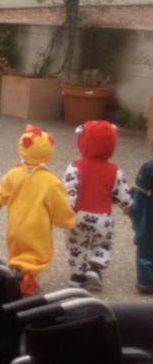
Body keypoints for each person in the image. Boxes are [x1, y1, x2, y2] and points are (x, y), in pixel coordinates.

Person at [0, 125, 77, 295]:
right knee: (37, 255)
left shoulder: (14, 173)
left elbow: (3, 190)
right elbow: (59, 204)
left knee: (16, 250)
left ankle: (15, 271)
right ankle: (23, 279)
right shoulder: (51, 181)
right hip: (37, 227)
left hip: (15, 224)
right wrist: (68, 219)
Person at [63, 120, 133, 291]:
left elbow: (69, 188)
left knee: (77, 244)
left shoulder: (74, 166)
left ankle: (77, 276)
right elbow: (121, 192)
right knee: (103, 243)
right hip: (102, 217)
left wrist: (68, 206)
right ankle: (95, 267)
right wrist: (127, 206)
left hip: (78, 214)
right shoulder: (114, 170)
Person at [130, 144, 153, 295]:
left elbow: (140, 192)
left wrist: (134, 210)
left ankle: (147, 280)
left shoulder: (149, 167)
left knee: (147, 244)